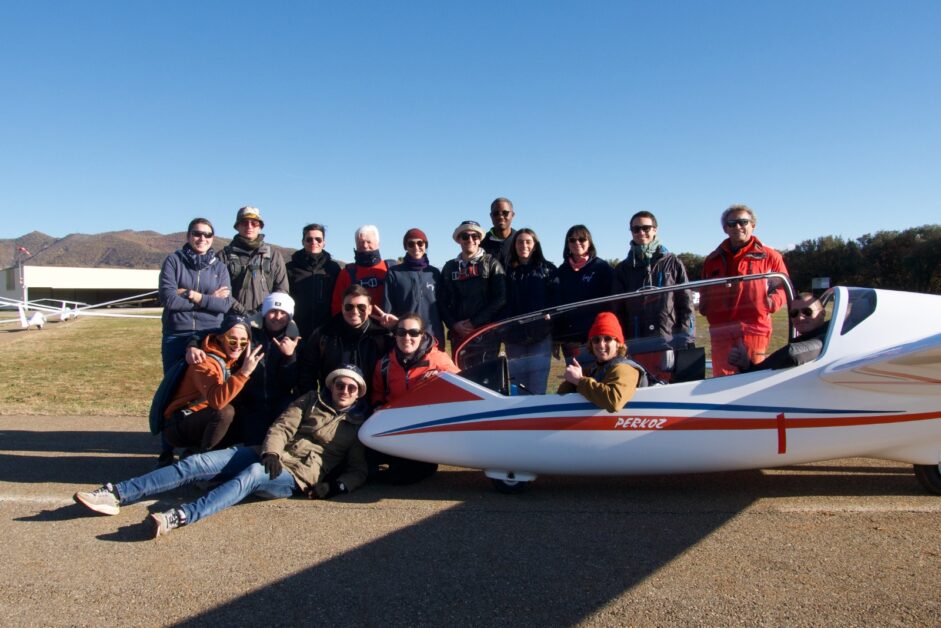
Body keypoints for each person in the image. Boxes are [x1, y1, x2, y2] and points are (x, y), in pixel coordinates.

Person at [73, 366, 370, 537]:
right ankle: (115, 493)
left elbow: (359, 470)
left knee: (252, 475)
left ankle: (180, 516)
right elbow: (281, 428)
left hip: (295, 476)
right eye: (340, 384)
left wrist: (336, 486)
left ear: (358, 393)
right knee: (195, 464)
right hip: (268, 455)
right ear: (331, 386)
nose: (344, 391)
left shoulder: (358, 426)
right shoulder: (309, 400)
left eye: (351, 388)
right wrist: (272, 453)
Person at [186, 292, 301, 447]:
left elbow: (290, 382)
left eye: (283, 313)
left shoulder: (295, 340)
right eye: (273, 311)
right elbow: (211, 334)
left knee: (278, 443)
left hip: (279, 402)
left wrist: (289, 357)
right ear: (265, 313)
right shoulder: (248, 330)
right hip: (250, 402)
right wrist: (192, 346)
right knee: (251, 446)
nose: (277, 317)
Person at [700, 204, 790, 376]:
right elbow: (704, 287)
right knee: (721, 379)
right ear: (725, 229)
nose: (737, 227)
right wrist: (704, 306)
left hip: (754, 328)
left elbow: (783, 287)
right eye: (732, 223)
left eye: (743, 222)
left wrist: (769, 303)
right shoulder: (712, 259)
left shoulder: (770, 256)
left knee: (753, 376)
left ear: (753, 225)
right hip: (721, 329)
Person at [369, 313, 459, 483]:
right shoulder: (385, 364)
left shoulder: (439, 361)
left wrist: (436, 383)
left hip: (426, 430)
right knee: (368, 459)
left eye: (413, 333)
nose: (407, 337)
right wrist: (378, 406)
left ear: (422, 335)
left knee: (406, 475)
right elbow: (377, 393)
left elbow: (461, 388)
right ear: (395, 335)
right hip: (395, 427)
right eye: (401, 332)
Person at [160, 315, 264, 454]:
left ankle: (197, 453)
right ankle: (201, 461)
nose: (238, 346)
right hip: (180, 423)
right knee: (225, 412)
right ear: (221, 338)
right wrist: (244, 373)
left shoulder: (233, 360)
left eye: (243, 342)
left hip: (203, 419)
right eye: (232, 340)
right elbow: (217, 402)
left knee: (248, 414)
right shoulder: (203, 361)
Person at [612, 211, 694, 381]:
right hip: (635, 342)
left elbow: (685, 304)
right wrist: (619, 343)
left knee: (668, 387)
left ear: (655, 229)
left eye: (646, 228)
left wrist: (686, 339)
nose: (641, 232)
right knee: (639, 387)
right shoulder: (623, 269)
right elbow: (617, 310)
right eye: (636, 229)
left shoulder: (673, 262)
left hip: (667, 340)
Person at [157, 218, 233, 373]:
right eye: (197, 233)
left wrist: (192, 294)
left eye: (208, 234)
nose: (202, 238)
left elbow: (225, 305)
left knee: (207, 388)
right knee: (172, 387)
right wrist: (210, 298)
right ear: (188, 236)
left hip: (210, 334)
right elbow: (169, 300)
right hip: (177, 334)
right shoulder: (173, 261)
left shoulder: (220, 268)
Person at [297, 285, 392, 396]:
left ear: (370, 309)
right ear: (342, 307)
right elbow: (307, 371)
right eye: (349, 307)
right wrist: (312, 399)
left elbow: (406, 359)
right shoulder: (324, 334)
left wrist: (397, 327)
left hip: (372, 403)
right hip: (332, 403)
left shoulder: (382, 335)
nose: (355, 311)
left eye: (361, 307)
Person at [438, 220, 506, 366]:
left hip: (486, 335)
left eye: (474, 236)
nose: (470, 240)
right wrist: (454, 325)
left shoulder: (492, 264)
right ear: (458, 240)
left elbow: (500, 298)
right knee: (462, 379)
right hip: (458, 335)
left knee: (485, 380)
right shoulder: (449, 267)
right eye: (465, 236)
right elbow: (441, 301)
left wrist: (474, 323)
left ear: (479, 239)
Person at [503, 228, 559, 393]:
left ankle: (537, 418)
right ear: (514, 245)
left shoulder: (548, 270)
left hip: (540, 336)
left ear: (535, 246)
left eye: (528, 241)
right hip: (514, 338)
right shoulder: (506, 272)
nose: (524, 245)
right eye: (520, 242)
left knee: (537, 385)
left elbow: (556, 301)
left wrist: (551, 316)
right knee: (517, 385)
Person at [557, 312, 646, 412]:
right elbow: (560, 396)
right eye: (596, 340)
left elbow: (614, 402)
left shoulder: (625, 368)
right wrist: (570, 380)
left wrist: (579, 381)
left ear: (618, 344)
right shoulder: (594, 370)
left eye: (607, 339)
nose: (601, 345)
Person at [554, 224, 615, 369]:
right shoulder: (561, 271)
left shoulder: (602, 268)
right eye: (572, 240)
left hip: (596, 338)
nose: (577, 243)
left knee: (598, 377)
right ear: (567, 244)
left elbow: (611, 302)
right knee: (576, 380)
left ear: (589, 242)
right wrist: (556, 338)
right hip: (571, 339)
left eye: (582, 239)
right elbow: (557, 306)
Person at [729, 293, 828, 372]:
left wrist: (751, 369)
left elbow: (792, 354)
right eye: (794, 313)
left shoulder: (824, 339)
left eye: (807, 311)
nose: (800, 317)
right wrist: (746, 365)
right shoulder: (812, 337)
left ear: (822, 313)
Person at [382, 228, 446, 348]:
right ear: (405, 247)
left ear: (425, 245)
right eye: (411, 244)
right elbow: (388, 307)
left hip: (432, 334)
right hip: (406, 337)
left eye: (420, 243)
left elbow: (443, 306)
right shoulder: (394, 273)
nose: (416, 247)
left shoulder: (434, 273)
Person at [221, 206, 289, 316]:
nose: (249, 226)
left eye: (254, 223)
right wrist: (242, 311)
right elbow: (221, 291)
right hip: (232, 319)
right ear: (237, 226)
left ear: (260, 227)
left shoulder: (274, 255)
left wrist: (264, 310)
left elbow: (282, 290)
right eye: (244, 222)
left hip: (265, 318)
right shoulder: (223, 256)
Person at [286, 223, 343, 341]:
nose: (314, 242)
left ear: (324, 242)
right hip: (297, 331)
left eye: (318, 239)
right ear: (303, 241)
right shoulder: (290, 268)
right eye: (309, 239)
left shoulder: (333, 268)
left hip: (326, 332)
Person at [330, 224, 389, 315]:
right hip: (355, 326)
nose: (365, 246)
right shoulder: (346, 273)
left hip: (386, 325)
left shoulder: (389, 269)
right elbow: (337, 306)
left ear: (378, 243)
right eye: (361, 242)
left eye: (369, 242)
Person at [481, 197, 516, 268]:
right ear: (491, 216)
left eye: (505, 213)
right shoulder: (481, 242)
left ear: (513, 215)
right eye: (496, 213)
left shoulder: (521, 241)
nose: (500, 216)